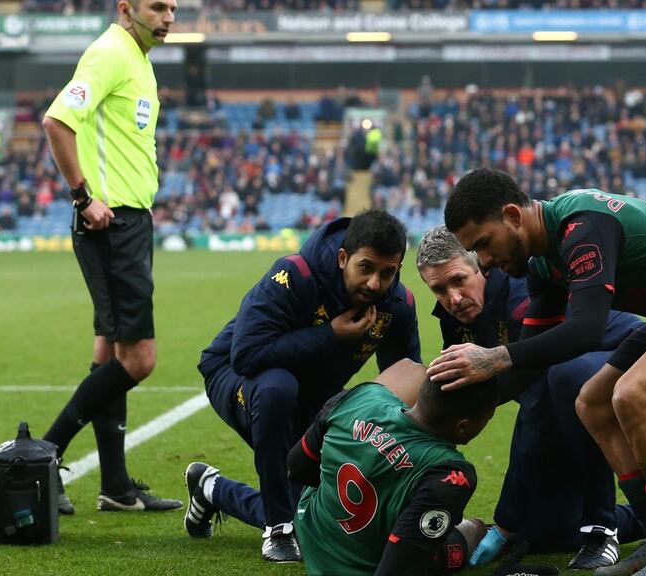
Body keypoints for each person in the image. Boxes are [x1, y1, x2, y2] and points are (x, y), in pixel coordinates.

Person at [430, 169, 646, 576]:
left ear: (513, 215)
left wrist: (494, 358)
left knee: (632, 397)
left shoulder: (582, 227)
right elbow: (533, 362)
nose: (487, 261)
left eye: (484, 244)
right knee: (593, 402)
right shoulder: (544, 266)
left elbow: (586, 329)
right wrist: (447, 407)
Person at [190, 210, 421, 563]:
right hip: (238, 376)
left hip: (313, 396)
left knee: (318, 518)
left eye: (387, 273)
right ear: (343, 258)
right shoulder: (294, 274)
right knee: (276, 388)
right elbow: (247, 354)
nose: (375, 283)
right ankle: (278, 529)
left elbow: (404, 381)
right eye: (366, 268)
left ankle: (212, 489)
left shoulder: (397, 305)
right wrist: (329, 335)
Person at [40, 0, 180, 515]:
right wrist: (82, 196)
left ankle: (115, 485)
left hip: (129, 221)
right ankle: (45, 454)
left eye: (173, 8)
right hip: (110, 223)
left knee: (109, 352)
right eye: (157, 7)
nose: (168, 17)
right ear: (127, 9)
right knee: (138, 359)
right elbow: (57, 122)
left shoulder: (138, 59)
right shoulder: (110, 53)